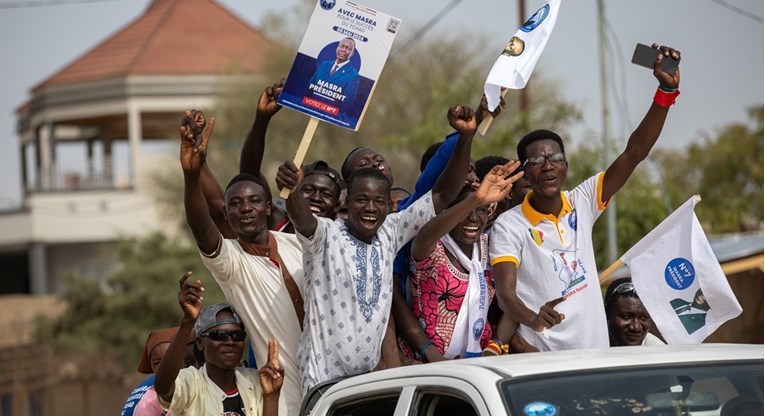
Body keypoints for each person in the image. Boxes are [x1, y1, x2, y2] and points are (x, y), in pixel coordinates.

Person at [489, 43, 681, 351]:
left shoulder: (582, 200)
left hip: (593, 355)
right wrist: (534, 319)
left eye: (555, 158)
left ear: (566, 166)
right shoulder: (508, 226)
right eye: (537, 162)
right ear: (525, 174)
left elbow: (634, 153)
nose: (547, 165)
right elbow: (506, 296)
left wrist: (665, 93)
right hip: (542, 360)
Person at [286, 104, 481, 392]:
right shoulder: (325, 235)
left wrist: (465, 137)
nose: (370, 208)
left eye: (379, 201)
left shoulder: (390, 231)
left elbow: (441, 193)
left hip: (367, 386)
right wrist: (292, 190)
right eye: (361, 200)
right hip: (323, 387)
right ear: (345, 204)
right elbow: (301, 217)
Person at [180, 115, 304, 415]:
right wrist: (191, 176)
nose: (245, 208)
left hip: (336, 391)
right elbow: (202, 226)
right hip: (283, 399)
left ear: (268, 206)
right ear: (227, 212)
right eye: (235, 203)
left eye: (253, 201)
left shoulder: (298, 243)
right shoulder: (232, 262)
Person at [406, 161, 523, 360]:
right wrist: (476, 199)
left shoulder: (492, 246)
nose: (474, 218)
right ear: (449, 213)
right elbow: (425, 234)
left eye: (482, 210)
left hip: (478, 362)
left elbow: (512, 299)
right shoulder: (431, 246)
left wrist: (495, 345)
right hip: (427, 363)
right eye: (466, 211)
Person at [154, 272, 283, 415]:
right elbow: (163, 387)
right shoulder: (192, 383)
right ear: (200, 343)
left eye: (237, 335)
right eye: (219, 335)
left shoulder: (255, 381)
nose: (230, 342)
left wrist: (271, 396)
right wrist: (188, 322)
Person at [307, 37, 360, 118]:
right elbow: (309, 88)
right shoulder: (324, 65)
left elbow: (347, 104)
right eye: (341, 46)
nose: (343, 49)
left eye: (348, 48)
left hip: (328, 117)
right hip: (309, 110)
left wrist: (330, 116)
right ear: (337, 47)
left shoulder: (353, 75)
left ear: (352, 53)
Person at [604, 278, 664, 346]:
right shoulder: (592, 344)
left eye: (643, 318)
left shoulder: (659, 352)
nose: (636, 327)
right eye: (626, 317)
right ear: (606, 313)